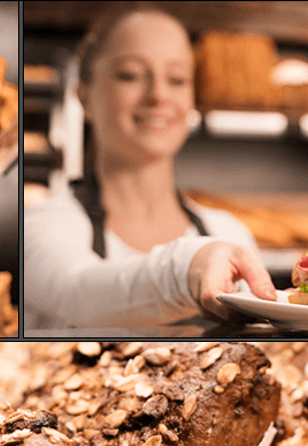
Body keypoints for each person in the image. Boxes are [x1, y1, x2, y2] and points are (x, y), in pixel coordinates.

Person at [24, 5, 277, 331]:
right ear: (83, 97)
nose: (158, 95)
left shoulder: (230, 234)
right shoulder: (42, 225)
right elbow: (77, 292)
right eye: (130, 74)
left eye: (177, 79)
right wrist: (187, 269)